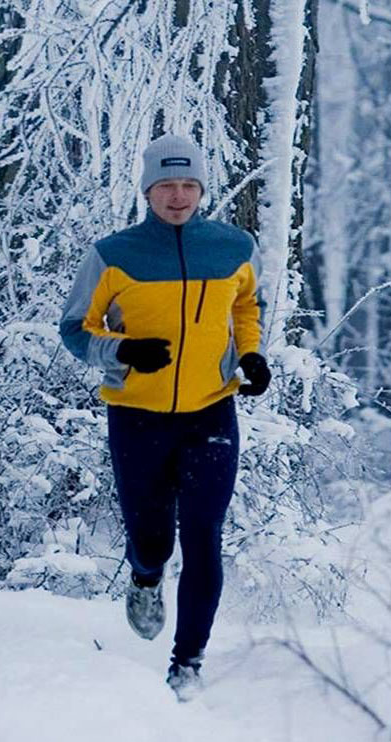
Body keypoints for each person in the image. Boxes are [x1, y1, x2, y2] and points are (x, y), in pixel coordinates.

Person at [58, 133, 272, 700]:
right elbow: (75, 328)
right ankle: (145, 576)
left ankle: (188, 661)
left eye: (188, 185)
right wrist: (122, 351)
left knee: (203, 533)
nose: (177, 196)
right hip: (138, 416)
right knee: (152, 537)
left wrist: (250, 354)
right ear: (148, 190)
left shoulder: (232, 247)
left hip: (210, 411)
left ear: (201, 188)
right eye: (165, 186)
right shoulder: (114, 253)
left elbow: (248, 304)